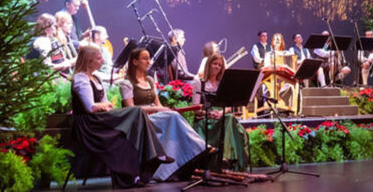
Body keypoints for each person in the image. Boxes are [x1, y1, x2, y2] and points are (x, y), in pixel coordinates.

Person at [69, 45, 172, 188]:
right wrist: (105, 106)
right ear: (89, 61)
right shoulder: (81, 79)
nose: (102, 61)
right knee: (136, 111)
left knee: (134, 126)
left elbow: (104, 102)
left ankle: (137, 174)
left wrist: (105, 105)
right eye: (99, 58)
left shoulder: (96, 78)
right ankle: (155, 154)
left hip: (100, 119)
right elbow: (90, 107)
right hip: (90, 124)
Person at [118, 48, 209, 181]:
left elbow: (158, 104)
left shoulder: (149, 80)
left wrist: (164, 109)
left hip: (155, 118)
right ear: (135, 62)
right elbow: (131, 110)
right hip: (139, 121)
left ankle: (175, 167)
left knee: (173, 117)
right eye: (145, 58)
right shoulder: (127, 83)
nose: (148, 61)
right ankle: (201, 146)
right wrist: (157, 110)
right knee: (173, 117)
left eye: (149, 58)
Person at [191, 54, 250, 170]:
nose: (217, 67)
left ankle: (225, 158)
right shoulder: (199, 82)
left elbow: (228, 106)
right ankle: (226, 157)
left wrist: (221, 113)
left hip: (221, 116)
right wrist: (209, 114)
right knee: (229, 120)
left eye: (219, 65)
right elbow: (195, 108)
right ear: (209, 65)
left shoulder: (221, 83)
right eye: (215, 64)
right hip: (205, 119)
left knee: (229, 118)